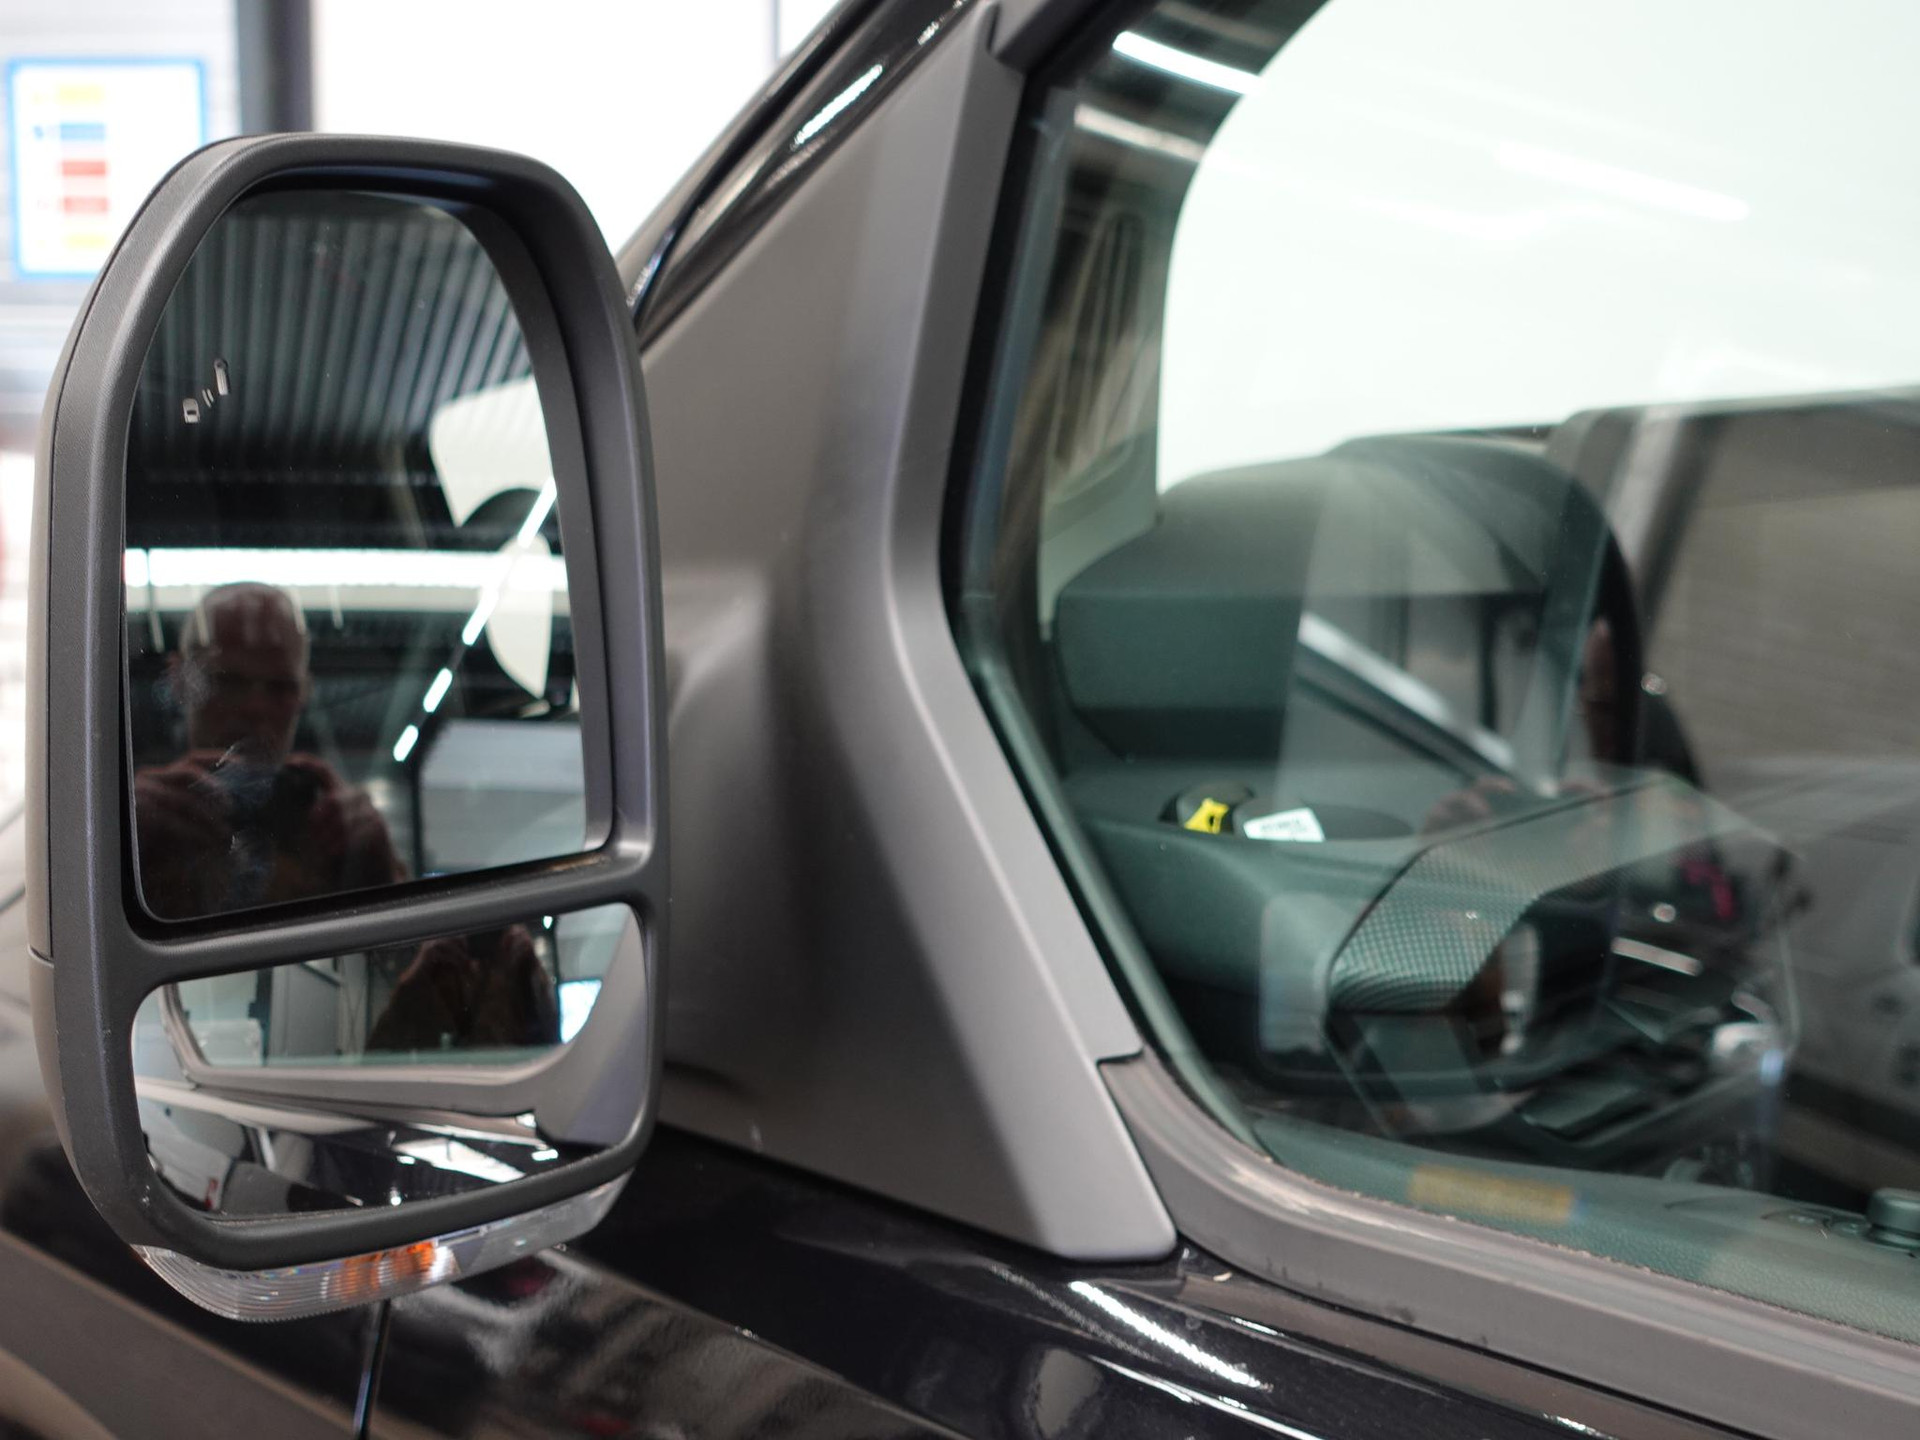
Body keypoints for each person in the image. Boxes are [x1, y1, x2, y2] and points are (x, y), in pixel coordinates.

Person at [133, 582, 403, 917]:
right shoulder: (138, 821)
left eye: (279, 688)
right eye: (227, 681)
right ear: (179, 681)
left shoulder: (334, 834)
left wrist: (374, 866)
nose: (255, 707)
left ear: (303, 693)